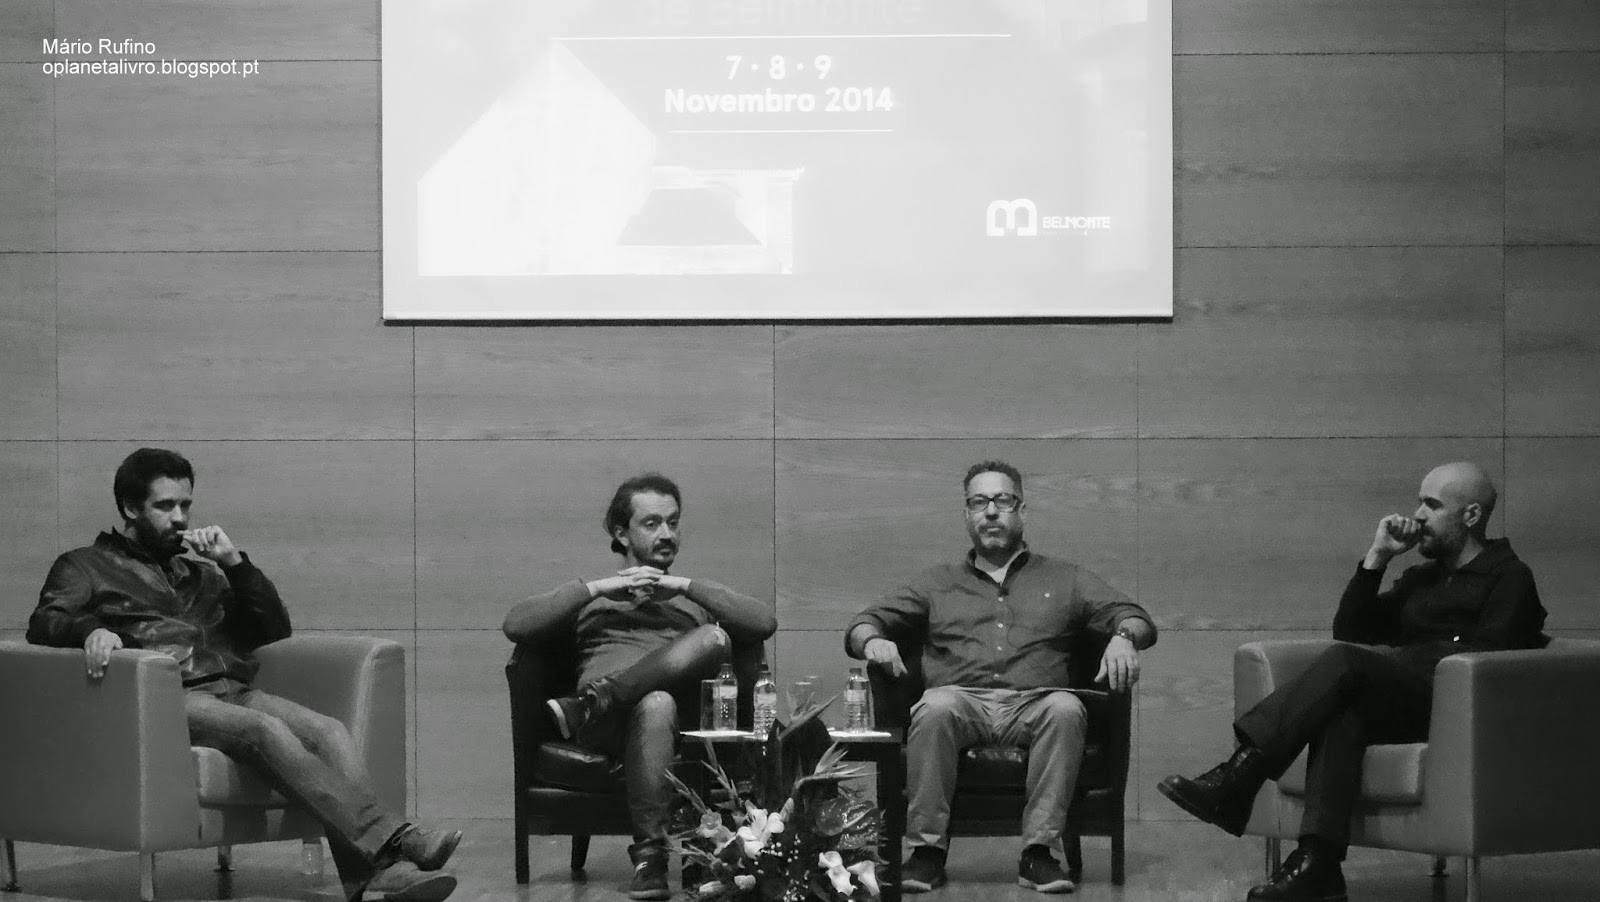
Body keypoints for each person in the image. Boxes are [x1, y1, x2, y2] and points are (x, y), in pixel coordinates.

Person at [26, 448, 461, 902]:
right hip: (165, 698)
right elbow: (45, 621)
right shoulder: (84, 566)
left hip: (231, 690)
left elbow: (273, 630)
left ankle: (378, 872)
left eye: (185, 505)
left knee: (329, 731)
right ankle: (396, 841)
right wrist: (89, 629)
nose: (180, 518)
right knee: (264, 729)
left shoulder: (201, 574)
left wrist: (235, 564)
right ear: (130, 509)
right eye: (165, 506)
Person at [1158, 462, 1548, 902]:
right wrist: (1378, 557)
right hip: (1404, 701)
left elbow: (1495, 662)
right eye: (1419, 502)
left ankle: (1239, 778)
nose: (1418, 514)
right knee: (1341, 712)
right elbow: (1351, 630)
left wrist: (1416, 658)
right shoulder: (1424, 578)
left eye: (1432, 505)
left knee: (1347, 664)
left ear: (1471, 515)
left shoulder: (1509, 577)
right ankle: (1318, 866)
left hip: (1457, 711)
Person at [845, 460, 1156, 894]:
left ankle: (1039, 854)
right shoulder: (936, 582)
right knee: (934, 708)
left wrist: (1123, 637)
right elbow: (863, 623)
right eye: (979, 502)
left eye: (1002, 500)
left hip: (1036, 702)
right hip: (959, 702)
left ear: (1021, 510)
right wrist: (873, 641)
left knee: (1066, 708)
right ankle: (926, 853)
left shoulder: (1065, 578)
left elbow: (1136, 617)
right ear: (967, 515)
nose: (991, 511)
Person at [501, 473, 776, 900]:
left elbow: (763, 622)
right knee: (657, 700)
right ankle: (599, 706)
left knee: (695, 659)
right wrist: (599, 586)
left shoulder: (691, 600)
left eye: (673, 522)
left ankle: (648, 857)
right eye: (651, 523)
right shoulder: (594, 599)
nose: (666, 534)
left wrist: (682, 585)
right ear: (620, 533)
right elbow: (516, 624)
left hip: (674, 725)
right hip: (607, 728)